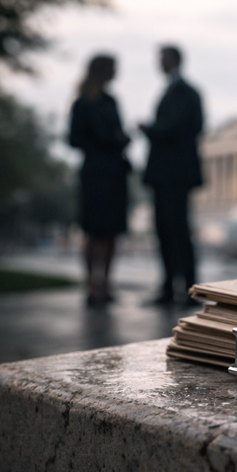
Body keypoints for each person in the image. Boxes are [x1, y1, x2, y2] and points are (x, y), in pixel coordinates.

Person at [140, 45, 204, 306]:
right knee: (164, 231)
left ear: (174, 60)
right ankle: (169, 286)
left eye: (162, 59)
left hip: (175, 174)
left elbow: (182, 127)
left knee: (178, 231)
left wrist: (152, 129)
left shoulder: (186, 92)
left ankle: (188, 288)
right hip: (166, 174)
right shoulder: (172, 90)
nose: (159, 64)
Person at [67, 54, 131, 307]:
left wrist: (118, 140)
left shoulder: (111, 101)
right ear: (103, 71)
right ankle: (92, 286)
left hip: (114, 172)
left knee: (112, 232)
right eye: (114, 68)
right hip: (95, 172)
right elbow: (73, 139)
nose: (117, 72)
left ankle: (105, 283)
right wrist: (108, 140)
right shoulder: (83, 103)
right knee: (94, 232)